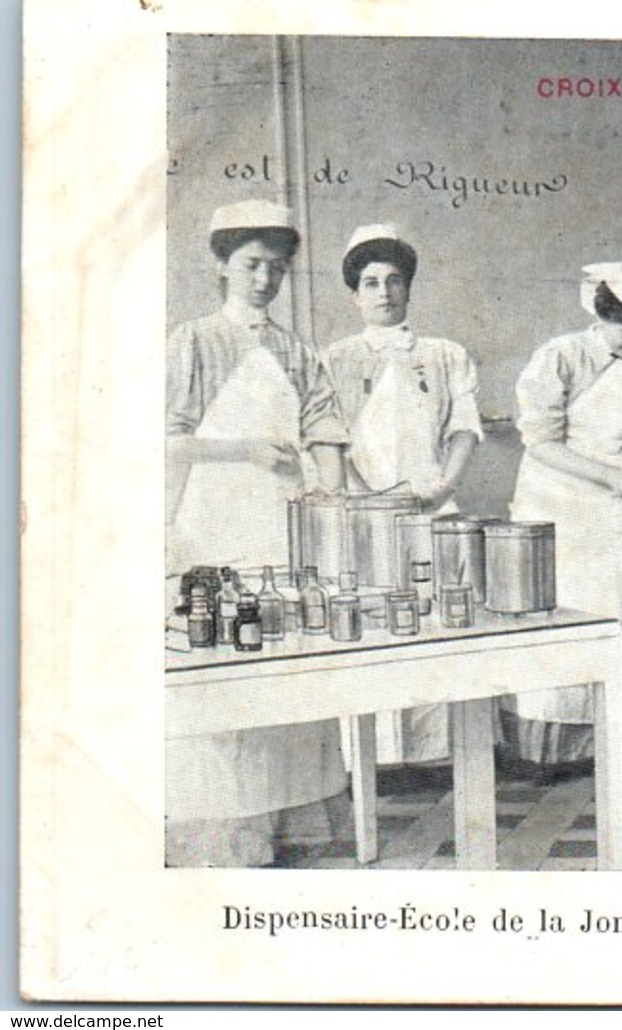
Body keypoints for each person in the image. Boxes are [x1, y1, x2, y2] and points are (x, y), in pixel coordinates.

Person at [164, 199, 349, 866]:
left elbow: (326, 425)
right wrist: (244, 449)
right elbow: (168, 439)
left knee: (286, 663)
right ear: (221, 266)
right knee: (222, 667)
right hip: (213, 523)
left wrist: (326, 488)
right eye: (251, 265)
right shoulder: (193, 342)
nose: (264, 280)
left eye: (276, 269)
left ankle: (288, 822)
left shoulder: (295, 351)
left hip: (281, 523)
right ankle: (222, 833)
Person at [507, 262, 622, 766]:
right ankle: (549, 752)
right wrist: (606, 476)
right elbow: (541, 440)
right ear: (602, 315)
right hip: (557, 497)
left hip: (618, 501)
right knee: (563, 611)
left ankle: (614, 745)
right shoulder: (561, 356)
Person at [325, 224, 483, 767]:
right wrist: (365, 498)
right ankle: (373, 761)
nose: (383, 292)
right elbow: (329, 439)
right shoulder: (335, 360)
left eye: (394, 281)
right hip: (364, 513)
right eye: (370, 283)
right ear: (355, 294)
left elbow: (464, 427)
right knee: (370, 624)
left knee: (437, 619)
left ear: (409, 288)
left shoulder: (444, 355)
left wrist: (443, 485)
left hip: (433, 508)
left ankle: (437, 755)